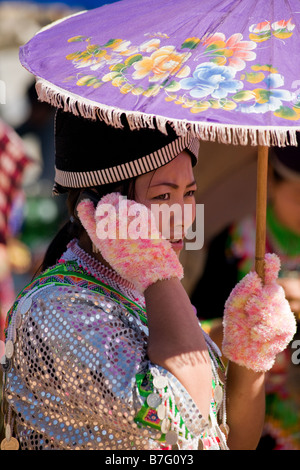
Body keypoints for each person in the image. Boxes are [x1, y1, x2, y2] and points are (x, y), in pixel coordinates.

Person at [1, 109, 296, 451]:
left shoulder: (144, 293)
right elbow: (188, 418)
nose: (183, 216)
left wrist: (248, 359)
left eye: (189, 193)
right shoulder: (54, 310)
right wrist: (158, 273)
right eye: (162, 196)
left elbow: (229, 442)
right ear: (102, 209)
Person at [191, 141, 300, 449]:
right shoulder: (235, 244)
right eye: (298, 196)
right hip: (249, 404)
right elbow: (201, 324)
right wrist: (242, 324)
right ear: (272, 184)